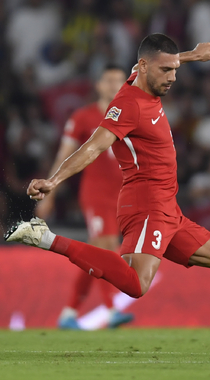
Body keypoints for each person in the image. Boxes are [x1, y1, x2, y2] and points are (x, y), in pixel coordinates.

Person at [5, 34, 210, 360]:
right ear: (144, 68)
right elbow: (94, 146)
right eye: (167, 71)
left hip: (169, 209)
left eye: (174, 69)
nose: (172, 77)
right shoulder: (127, 104)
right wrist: (54, 180)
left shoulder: (145, 75)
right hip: (145, 205)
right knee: (135, 284)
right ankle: (46, 238)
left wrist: (192, 56)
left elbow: (160, 62)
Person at [35, 64, 133, 329]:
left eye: (119, 80)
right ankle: (112, 309)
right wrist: (50, 192)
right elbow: (63, 153)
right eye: (108, 80)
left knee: (97, 251)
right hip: (96, 193)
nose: (114, 85)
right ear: (98, 86)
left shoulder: (133, 116)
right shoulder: (83, 117)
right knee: (107, 245)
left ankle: (69, 312)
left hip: (124, 194)